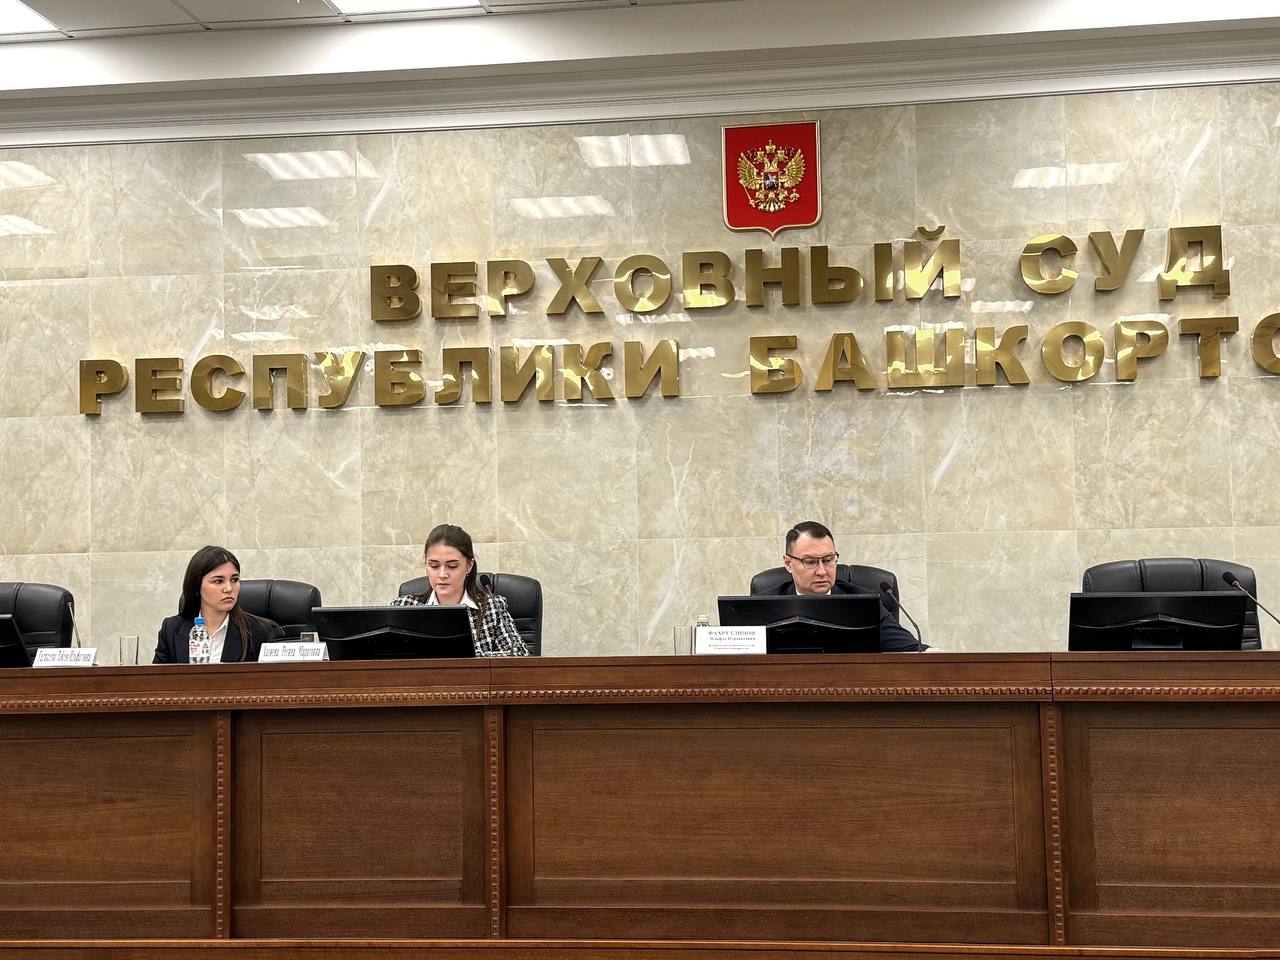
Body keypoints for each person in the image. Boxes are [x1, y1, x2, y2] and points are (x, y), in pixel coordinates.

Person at [761, 521, 923, 652]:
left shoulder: (863, 603)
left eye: (828, 560)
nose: (822, 571)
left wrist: (930, 652)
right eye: (810, 562)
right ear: (788, 563)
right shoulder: (764, 605)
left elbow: (912, 649)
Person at [390, 524, 529, 657]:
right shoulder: (404, 606)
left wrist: (464, 657)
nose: (442, 574)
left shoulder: (491, 607)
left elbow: (519, 654)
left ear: (469, 565)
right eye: (434, 566)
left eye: (452, 566)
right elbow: (385, 658)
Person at [154, 545, 283, 663]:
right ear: (196, 586)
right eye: (218, 581)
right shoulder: (171, 630)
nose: (229, 588)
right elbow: (155, 680)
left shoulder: (261, 631)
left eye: (234, 580)